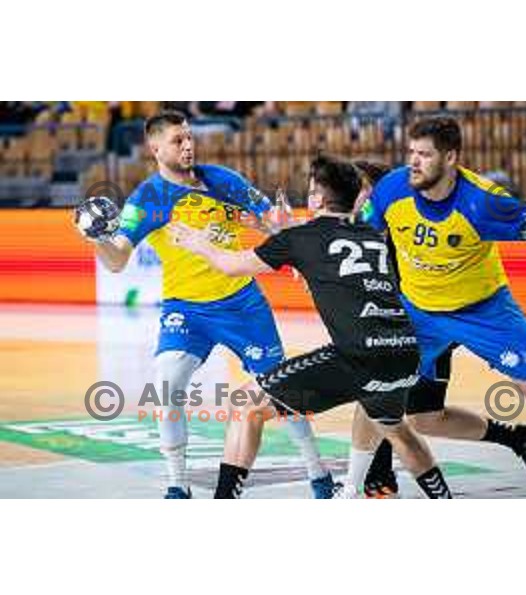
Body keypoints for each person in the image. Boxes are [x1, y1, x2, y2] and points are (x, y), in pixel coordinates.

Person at [76, 109, 334, 499]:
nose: (188, 145)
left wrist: (278, 223)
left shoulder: (222, 180)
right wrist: (97, 238)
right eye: (178, 140)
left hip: (242, 304)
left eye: (189, 137)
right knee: (166, 386)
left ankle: (318, 473)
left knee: (283, 391)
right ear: (155, 147)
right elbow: (117, 260)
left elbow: (272, 222)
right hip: (186, 309)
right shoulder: (147, 199)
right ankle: (177, 485)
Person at [171, 154, 453, 499]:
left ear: (317, 199)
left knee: (246, 404)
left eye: (311, 188)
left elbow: (231, 265)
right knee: (395, 427)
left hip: (357, 358)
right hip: (405, 353)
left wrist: (199, 243)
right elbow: (322, 258)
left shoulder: (302, 239)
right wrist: (279, 232)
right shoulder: (372, 235)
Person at [359, 116, 526, 494]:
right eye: (411, 153)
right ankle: (355, 486)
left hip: (483, 311)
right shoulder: (393, 188)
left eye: (424, 154)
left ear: (451, 157)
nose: (414, 163)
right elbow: (359, 228)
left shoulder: (482, 201)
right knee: (410, 409)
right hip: (420, 314)